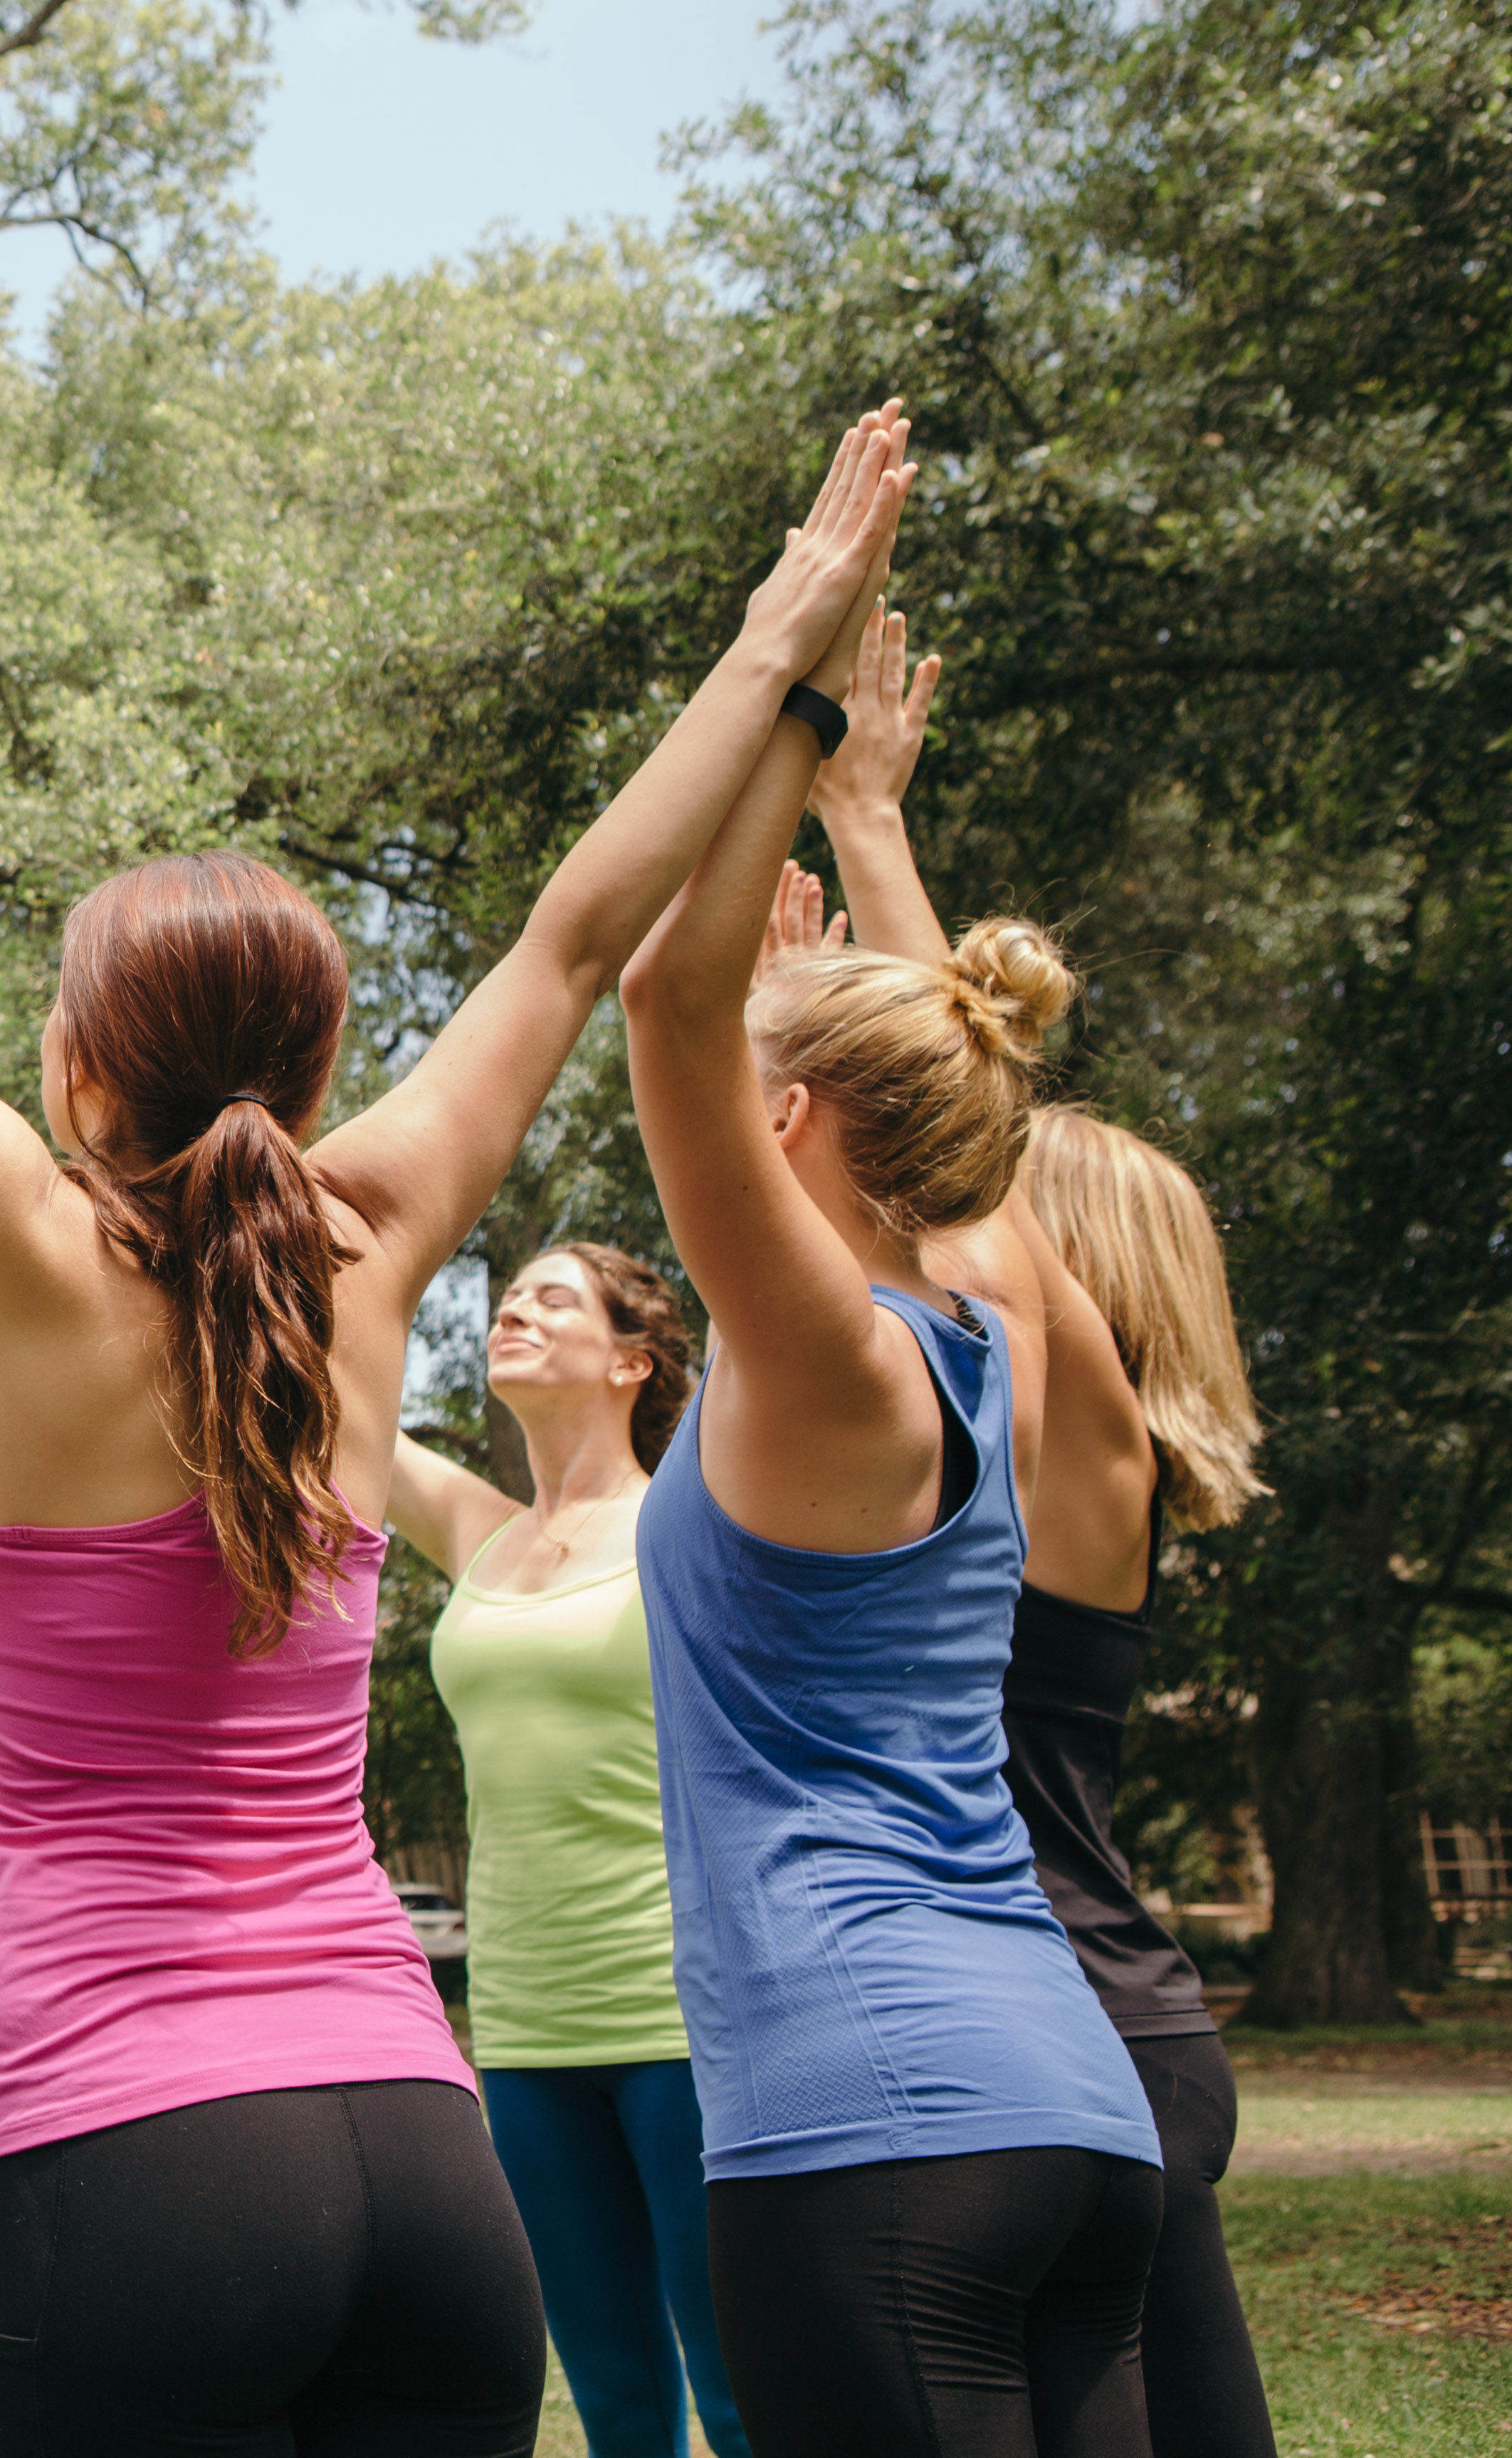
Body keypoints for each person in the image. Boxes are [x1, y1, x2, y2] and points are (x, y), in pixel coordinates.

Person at [0, 271, 920, 2447]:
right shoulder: (378, 1230)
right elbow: (571, 929)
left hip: (130, 2154)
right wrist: (774, 648)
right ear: (324, 1054)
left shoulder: (27, 1257)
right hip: (422, 2158)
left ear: (74, 1079)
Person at [617, 593, 1167, 2457]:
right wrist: (870, 830)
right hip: (1078, 2125)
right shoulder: (995, 1351)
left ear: (783, 1115)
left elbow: (656, 995)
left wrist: (782, 687)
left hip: (876, 2131)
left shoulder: (827, 1367)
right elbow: (974, 1162)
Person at [802, 612, 1279, 2456]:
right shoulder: (1012, 1461)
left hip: (1071, 2035)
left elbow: (967, 1203)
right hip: (1105, 2030)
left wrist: (871, 827)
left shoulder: (1075, 1445)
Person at [387, 1248, 749, 2458]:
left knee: (742, 2389)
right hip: (528, 2032)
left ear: (632, 1359)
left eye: (553, 1298)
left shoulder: (690, 1517)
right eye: (508, 1297)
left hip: (680, 2023)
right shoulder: (480, 1539)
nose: (513, 1309)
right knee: (613, 2395)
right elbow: (334, 1402)